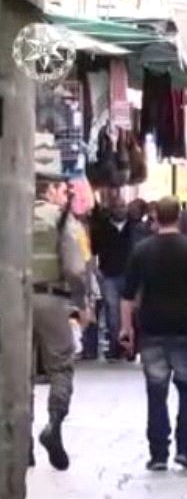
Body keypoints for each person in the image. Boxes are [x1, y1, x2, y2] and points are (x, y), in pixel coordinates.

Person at [119, 197, 187, 472]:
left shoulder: (142, 250)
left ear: (155, 216)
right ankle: (185, 450)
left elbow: (127, 295)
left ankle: (158, 454)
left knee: (156, 393)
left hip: (152, 329)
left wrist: (126, 328)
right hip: (185, 328)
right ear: (178, 216)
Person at [32, 173, 89, 471]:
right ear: (50, 189)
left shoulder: (10, 209)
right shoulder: (61, 218)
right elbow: (75, 269)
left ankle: (21, 442)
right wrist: (80, 303)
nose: (66, 196)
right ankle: (53, 424)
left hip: (14, 300)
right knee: (61, 365)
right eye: (63, 189)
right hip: (52, 299)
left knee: (18, 372)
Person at [90, 195, 137, 361]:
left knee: (131, 313)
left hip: (131, 276)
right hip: (109, 275)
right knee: (112, 313)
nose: (120, 209)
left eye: (123, 206)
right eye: (117, 207)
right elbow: (92, 251)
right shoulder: (103, 228)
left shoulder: (134, 227)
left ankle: (130, 347)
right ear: (111, 209)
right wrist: (95, 270)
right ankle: (116, 347)